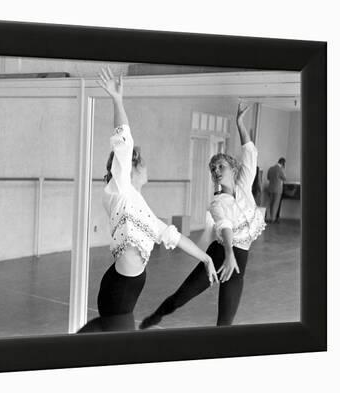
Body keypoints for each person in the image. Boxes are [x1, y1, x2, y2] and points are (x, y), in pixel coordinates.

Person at [77, 68, 218, 333]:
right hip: (118, 291)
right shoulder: (120, 189)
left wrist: (206, 259)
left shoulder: (141, 209)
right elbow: (123, 143)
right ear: (132, 169)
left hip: (125, 290)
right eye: (144, 163)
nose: (147, 167)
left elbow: (174, 237)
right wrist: (117, 101)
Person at [140, 102, 266, 329]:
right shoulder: (217, 202)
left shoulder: (244, 186)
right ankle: (157, 315)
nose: (216, 172)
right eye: (213, 169)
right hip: (221, 254)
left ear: (233, 168)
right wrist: (228, 254)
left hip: (239, 262)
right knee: (182, 297)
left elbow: (250, 152)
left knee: (225, 322)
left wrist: (239, 123)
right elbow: (225, 226)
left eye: (220, 167)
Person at [267, 158, 286, 223]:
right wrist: (283, 170)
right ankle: (273, 219)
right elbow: (284, 178)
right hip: (277, 190)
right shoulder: (280, 170)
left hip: (270, 188)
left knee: (270, 203)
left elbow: (268, 178)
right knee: (275, 204)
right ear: (283, 163)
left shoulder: (271, 168)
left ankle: (268, 218)